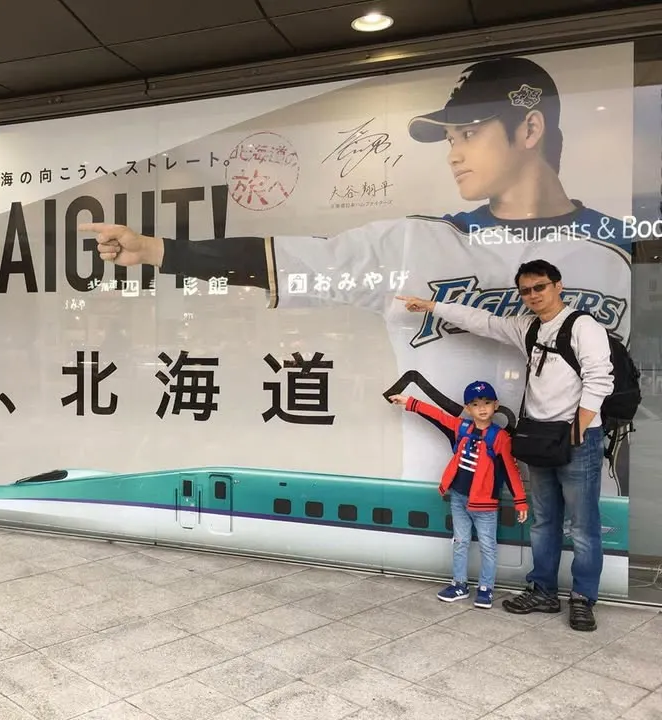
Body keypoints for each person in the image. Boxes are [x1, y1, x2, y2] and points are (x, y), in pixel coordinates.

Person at [79, 54, 631, 492]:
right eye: (450, 139)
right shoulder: (413, 243)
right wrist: (158, 251)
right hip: (435, 498)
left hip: (580, 482)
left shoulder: (619, 249)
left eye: (469, 133)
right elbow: (285, 259)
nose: (453, 153)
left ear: (529, 128)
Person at [397, 258, 613, 631]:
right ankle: (543, 591)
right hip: (539, 438)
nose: (533, 295)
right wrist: (432, 306)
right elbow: (482, 321)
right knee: (544, 521)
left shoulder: (583, 326)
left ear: (558, 286)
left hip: (577, 437)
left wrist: (578, 429)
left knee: (582, 526)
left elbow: (600, 379)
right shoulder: (527, 327)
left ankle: (582, 598)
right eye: (526, 291)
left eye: (540, 287)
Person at [389, 381, 529, 609]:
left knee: (488, 546)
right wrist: (410, 402)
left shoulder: (500, 437)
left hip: (485, 504)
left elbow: (511, 470)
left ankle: (486, 588)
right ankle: (459, 584)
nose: (482, 408)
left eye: (487, 403)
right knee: (460, 542)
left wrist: (520, 501)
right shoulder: (461, 428)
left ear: (496, 405)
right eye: (475, 404)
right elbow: (437, 415)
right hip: (458, 498)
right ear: (467, 408)